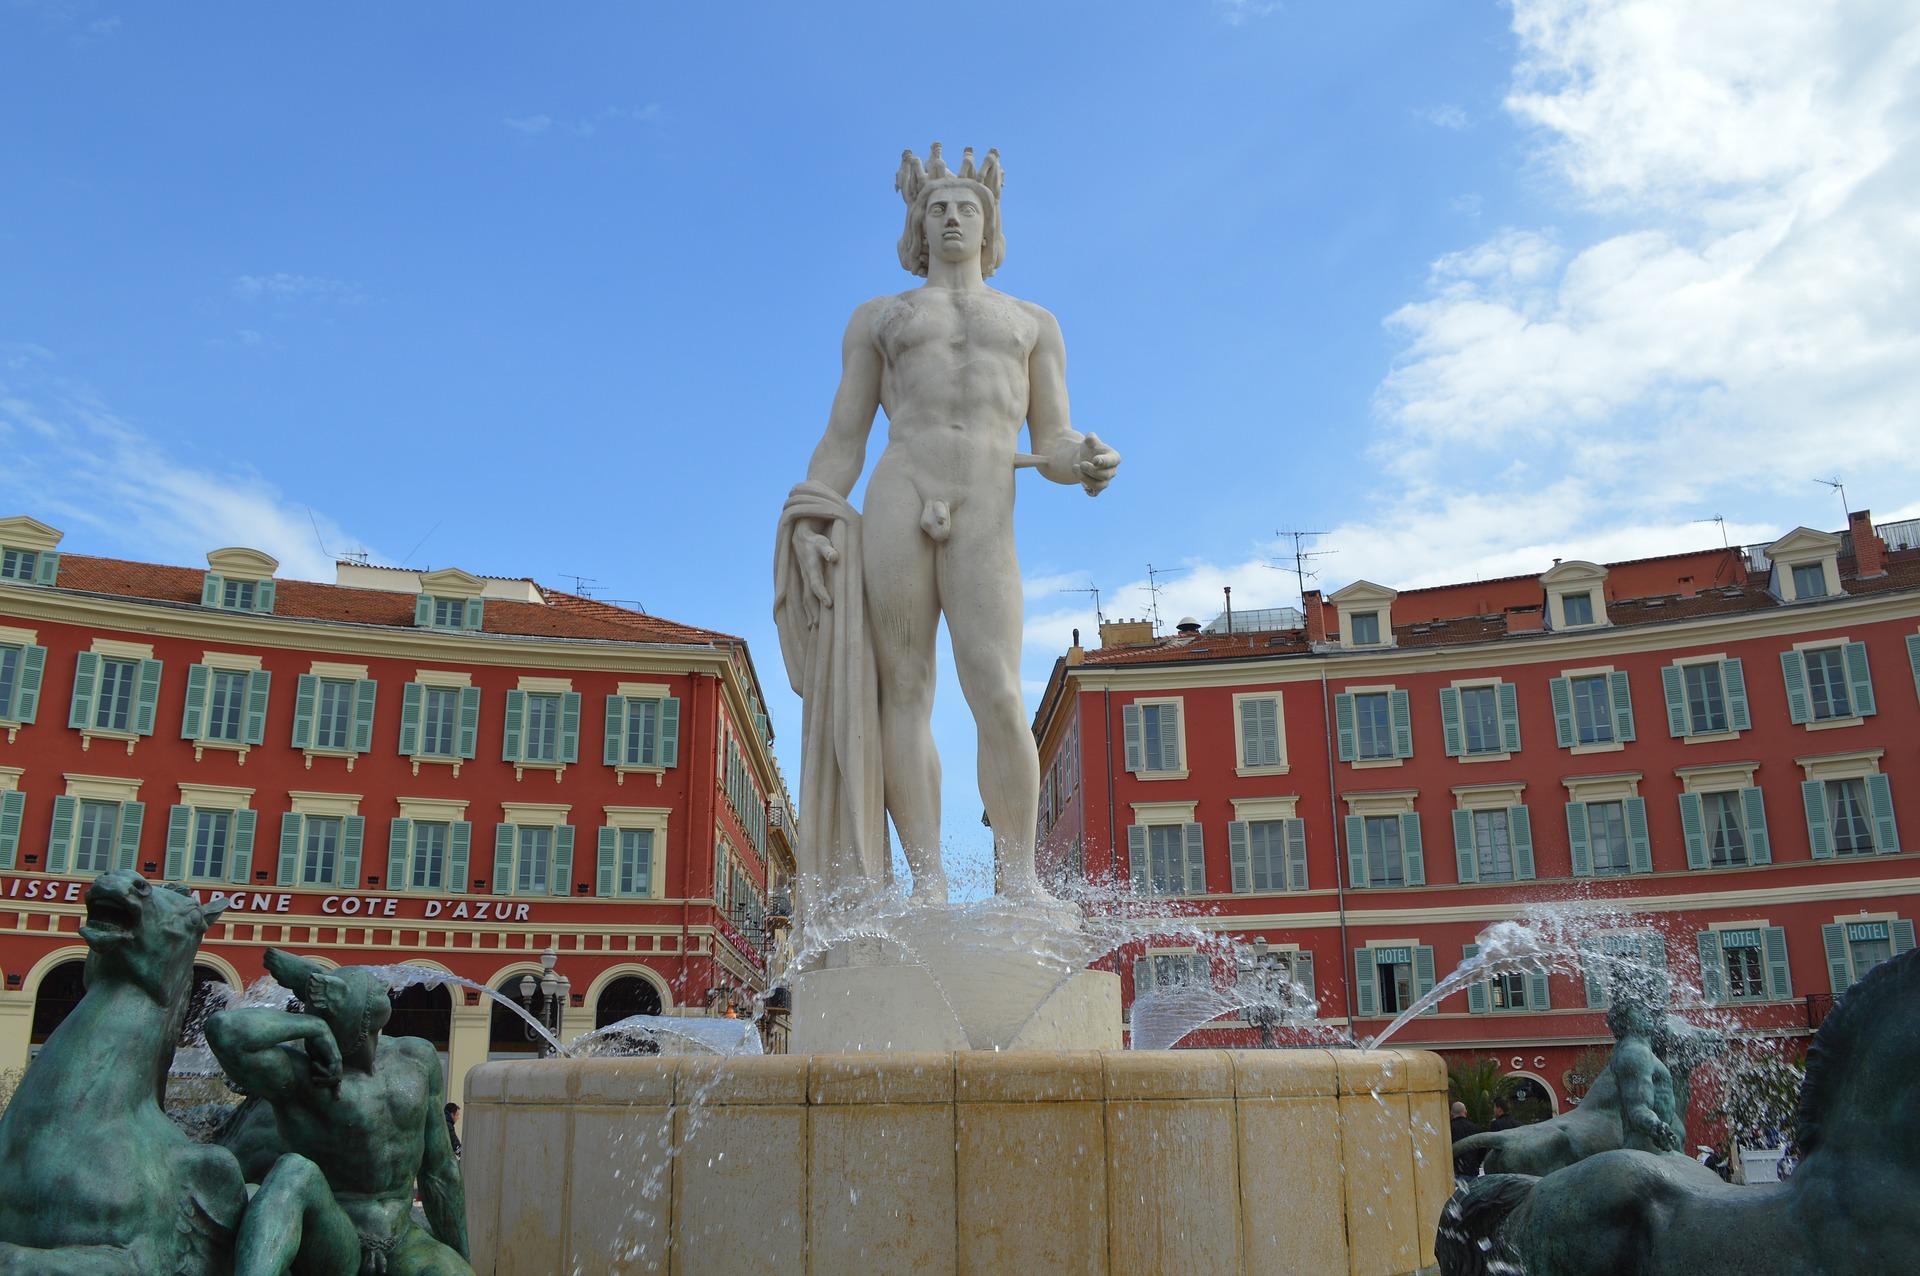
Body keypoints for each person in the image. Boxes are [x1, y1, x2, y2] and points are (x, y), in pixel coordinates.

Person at [777, 143, 1121, 902]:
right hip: (903, 485)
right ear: (918, 227)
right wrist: (812, 511)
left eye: (969, 208)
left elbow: (1052, 441)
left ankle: (1019, 880)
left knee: (996, 685)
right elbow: (843, 438)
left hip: (987, 499)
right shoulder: (881, 318)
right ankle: (927, 885)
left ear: (989, 224)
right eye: (939, 209)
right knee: (904, 686)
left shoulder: (1032, 323)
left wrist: (1085, 459)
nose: (954, 218)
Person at [206, 949, 470, 1275]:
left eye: (328, 1022)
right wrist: (309, 1027)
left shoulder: (418, 1059)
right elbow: (223, 1030)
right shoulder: (302, 1073)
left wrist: (463, 1257)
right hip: (337, 1236)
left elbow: (441, 1171)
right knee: (295, 1170)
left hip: (402, 1239)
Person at [1450, 1101, 1485, 1179]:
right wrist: (1477, 1163)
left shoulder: (1449, 1129)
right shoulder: (1475, 1128)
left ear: (1451, 1113)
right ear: (1465, 1112)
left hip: (1455, 1172)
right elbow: (1483, 1148)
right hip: (1472, 1171)